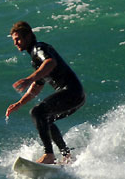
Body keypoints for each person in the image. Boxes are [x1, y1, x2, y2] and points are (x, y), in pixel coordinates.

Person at [5, 21, 85, 164]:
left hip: (71, 92)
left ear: (28, 36)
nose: (15, 43)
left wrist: (29, 79)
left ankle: (49, 155)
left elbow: (50, 62)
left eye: (18, 39)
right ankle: (67, 155)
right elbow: (38, 85)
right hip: (76, 95)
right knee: (46, 119)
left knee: (37, 112)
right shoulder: (35, 59)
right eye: (14, 40)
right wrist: (19, 103)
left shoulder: (39, 48)